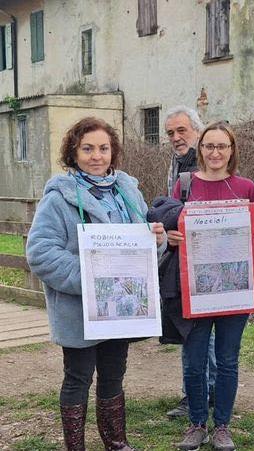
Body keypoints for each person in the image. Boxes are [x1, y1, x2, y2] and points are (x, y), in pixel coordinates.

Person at [26, 117, 166, 451]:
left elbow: (140, 246)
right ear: (74, 152)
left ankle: (116, 443)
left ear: (113, 152)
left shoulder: (127, 192)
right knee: (78, 378)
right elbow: (40, 253)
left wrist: (156, 240)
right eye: (87, 148)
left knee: (114, 374)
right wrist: (91, 275)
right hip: (80, 311)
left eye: (103, 148)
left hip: (120, 309)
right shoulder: (58, 197)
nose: (96, 155)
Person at [169, 122, 254, 451]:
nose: (215, 152)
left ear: (231, 150)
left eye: (222, 146)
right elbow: (170, 233)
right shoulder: (183, 186)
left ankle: (222, 425)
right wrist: (171, 238)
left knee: (227, 361)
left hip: (234, 291)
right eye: (209, 146)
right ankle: (196, 423)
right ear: (201, 149)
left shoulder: (246, 188)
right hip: (196, 291)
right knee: (194, 361)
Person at [162, 105, 218, 419]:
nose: (176, 137)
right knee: (194, 330)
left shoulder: (205, 159)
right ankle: (199, 393)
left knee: (201, 331)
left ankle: (201, 394)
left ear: (197, 130)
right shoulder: (179, 164)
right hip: (185, 257)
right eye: (170, 132)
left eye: (182, 130)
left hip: (207, 258)